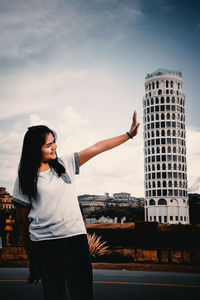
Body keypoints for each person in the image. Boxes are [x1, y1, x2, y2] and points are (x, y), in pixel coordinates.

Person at [12, 110, 139, 300]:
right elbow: (22, 222)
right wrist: (32, 258)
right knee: (55, 295)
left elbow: (97, 147)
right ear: (35, 148)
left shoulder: (66, 163)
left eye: (54, 141)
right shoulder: (24, 178)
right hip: (46, 245)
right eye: (49, 144)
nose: (54, 147)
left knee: (83, 294)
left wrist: (128, 135)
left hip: (76, 240)